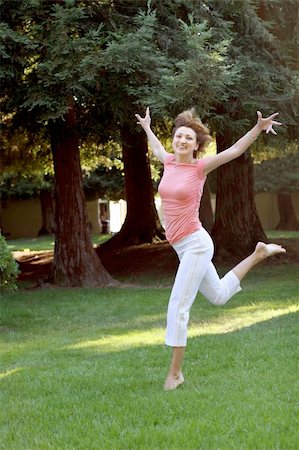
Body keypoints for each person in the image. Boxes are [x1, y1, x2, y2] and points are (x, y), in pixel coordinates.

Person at [135, 107, 286, 391]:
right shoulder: (168, 162)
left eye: (187, 138)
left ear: (196, 145)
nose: (181, 141)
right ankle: (258, 254)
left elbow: (234, 151)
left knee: (178, 306)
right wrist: (147, 128)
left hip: (196, 243)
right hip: (181, 247)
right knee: (218, 296)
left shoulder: (199, 168)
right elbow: (156, 147)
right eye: (178, 136)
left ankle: (175, 374)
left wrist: (257, 129)